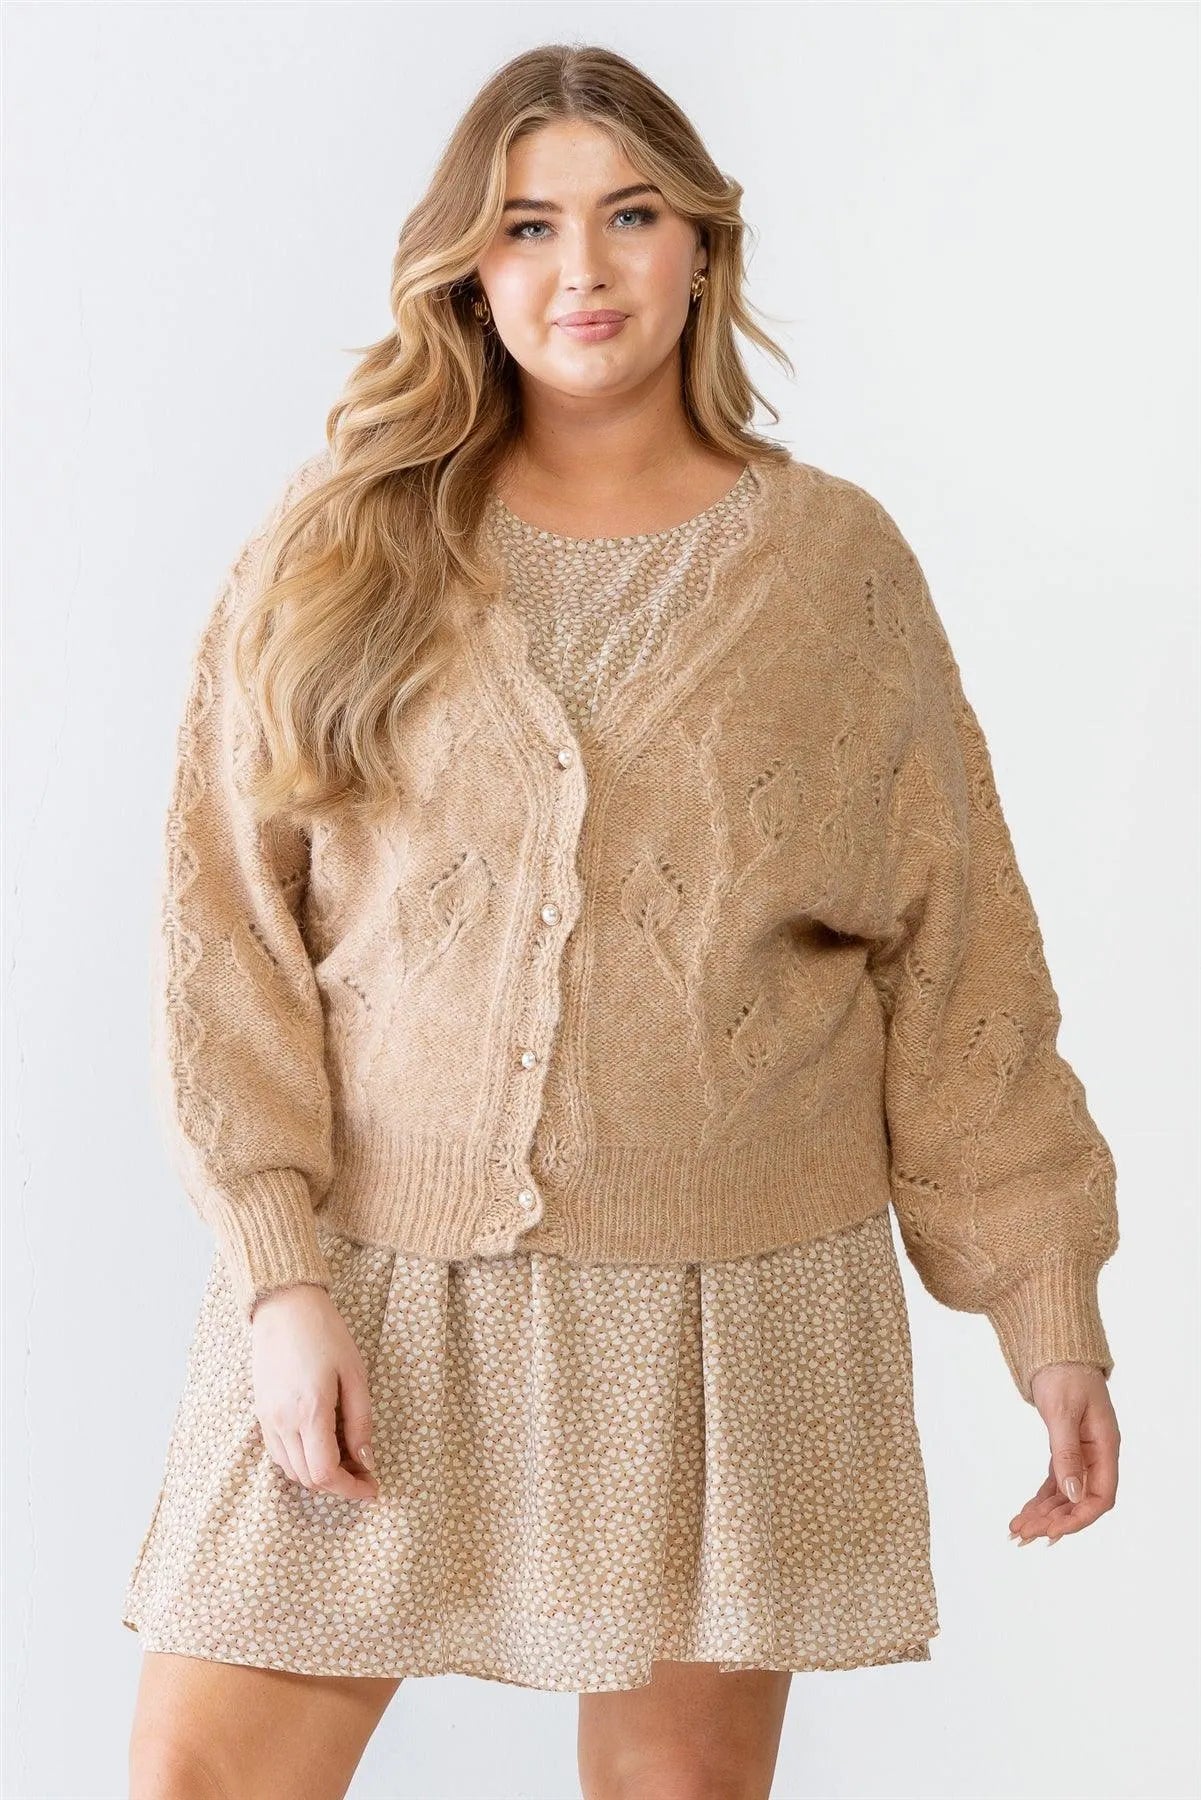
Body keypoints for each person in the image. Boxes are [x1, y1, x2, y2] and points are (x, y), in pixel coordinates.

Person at [123, 42, 1121, 1800]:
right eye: (526, 225)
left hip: (732, 1308)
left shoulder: (832, 569)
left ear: (702, 247)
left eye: (628, 216)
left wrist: (1045, 1308)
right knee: (204, 1777)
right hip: (386, 1280)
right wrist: (280, 1280)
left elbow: (959, 959)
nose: (579, 270)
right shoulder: (338, 548)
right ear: (467, 266)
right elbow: (229, 942)